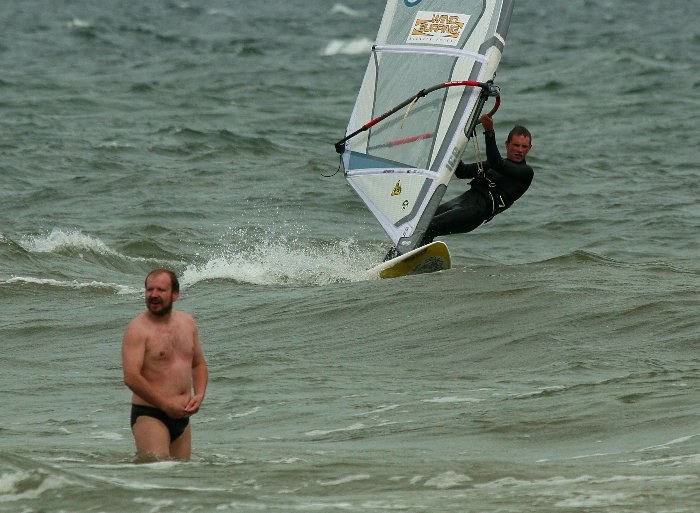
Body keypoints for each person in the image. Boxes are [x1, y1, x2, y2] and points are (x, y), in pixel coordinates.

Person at [121, 268, 208, 462]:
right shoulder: (137, 329)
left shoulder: (188, 323)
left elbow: (198, 364)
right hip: (151, 414)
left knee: (179, 480)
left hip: (182, 417)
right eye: (149, 290)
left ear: (175, 294)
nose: (153, 295)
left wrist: (200, 394)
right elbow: (131, 377)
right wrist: (165, 404)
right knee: (157, 472)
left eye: (160, 290)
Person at [420, 114, 534, 246]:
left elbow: (496, 163)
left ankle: (410, 261)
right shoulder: (495, 165)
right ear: (507, 145)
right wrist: (451, 144)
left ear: (529, 148)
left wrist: (489, 132)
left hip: (474, 213)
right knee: (420, 220)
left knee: (428, 227)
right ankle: (395, 256)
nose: (520, 150)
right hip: (461, 202)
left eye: (524, 147)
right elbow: (463, 172)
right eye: (516, 145)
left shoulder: (525, 173)